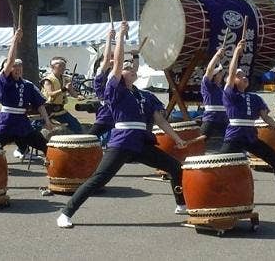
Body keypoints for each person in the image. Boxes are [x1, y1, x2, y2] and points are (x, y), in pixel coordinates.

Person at [56, 21, 188, 228]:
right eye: (126, 68)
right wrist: (119, 37)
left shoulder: (144, 95)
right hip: (122, 141)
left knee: (175, 167)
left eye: (133, 68)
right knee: (99, 179)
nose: (130, 68)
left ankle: (181, 203)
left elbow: (160, 120)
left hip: (141, 143)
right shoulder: (115, 90)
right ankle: (66, 212)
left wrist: (177, 139)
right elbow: (116, 62)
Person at [221, 38, 275, 198]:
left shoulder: (254, 97)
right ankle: (220, 193)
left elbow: (265, 116)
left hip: (251, 136)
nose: (243, 77)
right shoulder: (229, 94)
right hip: (234, 135)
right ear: (231, 81)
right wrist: (237, 54)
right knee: (221, 164)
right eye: (240, 76)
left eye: (245, 75)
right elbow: (231, 73)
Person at [0, 27, 55, 155]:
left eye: (20, 66)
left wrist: (47, 121)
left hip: (23, 123)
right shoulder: (3, 80)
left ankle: (54, 165)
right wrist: (14, 41)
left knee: (45, 146)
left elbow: (40, 105)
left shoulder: (28, 85)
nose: (17, 68)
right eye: (14, 66)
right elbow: (9, 61)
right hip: (7, 121)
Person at [88, 27, 117, 141]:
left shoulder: (116, 75)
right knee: (91, 138)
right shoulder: (100, 75)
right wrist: (109, 39)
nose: (112, 59)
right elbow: (105, 60)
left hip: (119, 112)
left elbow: (132, 69)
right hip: (106, 112)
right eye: (110, 57)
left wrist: (135, 57)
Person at [41, 56, 83, 133]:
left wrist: (78, 96)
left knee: (75, 124)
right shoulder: (48, 80)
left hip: (60, 109)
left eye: (64, 66)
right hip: (47, 109)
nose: (63, 68)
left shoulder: (66, 79)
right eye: (60, 66)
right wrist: (64, 89)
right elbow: (51, 94)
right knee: (36, 127)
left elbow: (72, 92)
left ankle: (80, 141)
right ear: (52, 67)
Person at [197, 47, 228, 147]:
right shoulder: (207, 86)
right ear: (214, 75)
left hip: (223, 120)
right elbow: (209, 70)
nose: (221, 75)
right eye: (219, 73)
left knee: (230, 141)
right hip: (211, 119)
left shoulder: (220, 88)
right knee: (200, 143)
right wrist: (217, 55)